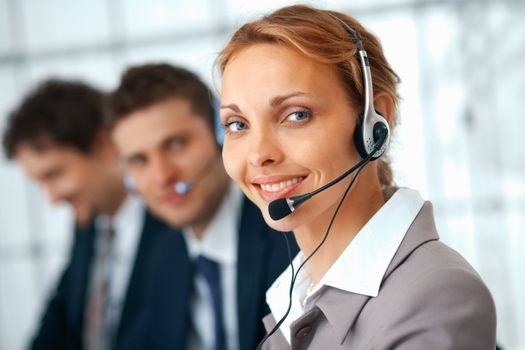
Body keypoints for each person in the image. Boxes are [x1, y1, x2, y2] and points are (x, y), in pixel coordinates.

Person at [217, 5, 497, 349]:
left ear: (374, 121)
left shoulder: (436, 296)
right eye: (237, 125)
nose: (259, 154)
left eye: (296, 115)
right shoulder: (294, 295)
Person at [104, 63, 297, 350]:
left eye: (176, 144)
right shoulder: (163, 257)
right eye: (139, 160)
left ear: (222, 135)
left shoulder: (289, 233)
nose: (162, 176)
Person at [2, 79, 170, 350]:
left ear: (103, 144)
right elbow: (59, 318)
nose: (52, 198)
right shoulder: (88, 226)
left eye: (54, 174)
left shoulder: (173, 221)